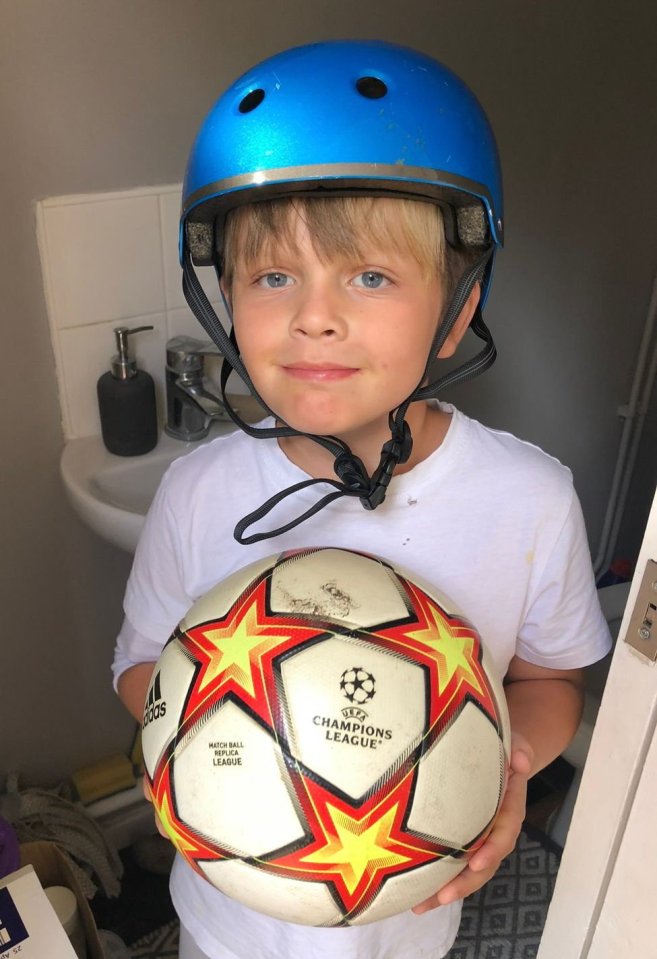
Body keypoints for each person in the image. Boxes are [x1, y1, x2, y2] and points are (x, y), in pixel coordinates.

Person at [113, 40, 611, 959]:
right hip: (226, 932)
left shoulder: (528, 498)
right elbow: (142, 662)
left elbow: (548, 681)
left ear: (458, 307)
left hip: (410, 931)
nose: (314, 316)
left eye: (370, 276)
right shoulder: (197, 490)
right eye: (272, 277)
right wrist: (210, 733)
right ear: (224, 299)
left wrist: (500, 771)